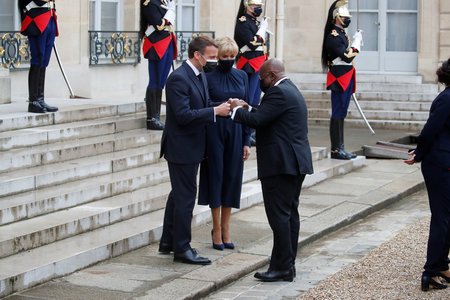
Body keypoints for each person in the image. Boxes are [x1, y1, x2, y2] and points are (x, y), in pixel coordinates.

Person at [229, 58, 313, 282]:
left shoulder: (278, 93)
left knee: (279, 218)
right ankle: (286, 264)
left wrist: (236, 111)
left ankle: (283, 267)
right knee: (289, 216)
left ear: (272, 75)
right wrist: (248, 106)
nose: (259, 81)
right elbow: (267, 113)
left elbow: (258, 120)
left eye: (261, 77)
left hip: (281, 165)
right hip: (293, 163)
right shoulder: (288, 88)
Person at [158, 36, 231, 265]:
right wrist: (214, 112)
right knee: (186, 198)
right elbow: (183, 115)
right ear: (197, 55)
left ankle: (168, 242)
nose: (214, 61)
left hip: (193, 145)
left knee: (178, 194)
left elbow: (202, 105)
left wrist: (224, 106)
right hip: (181, 147)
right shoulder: (178, 78)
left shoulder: (199, 76)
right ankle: (182, 249)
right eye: (210, 57)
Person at [198, 37, 251, 251]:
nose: (228, 59)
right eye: (224, 56)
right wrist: (225, 105)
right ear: (217, 57)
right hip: (214, 131)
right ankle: (216, 229)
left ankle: (227, 227)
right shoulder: (207, 76)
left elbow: (248, 107)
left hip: (237, 131)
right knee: (216, 177)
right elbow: (202, 103)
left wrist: (247, 140)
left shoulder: (242, 76)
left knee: (232, 178)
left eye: (232, 56)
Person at [404, 59, 450, 292]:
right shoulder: (447, 99)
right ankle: (430, 271)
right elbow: (430, 131)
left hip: (443, 161)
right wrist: (419, 154)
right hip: (441, 164)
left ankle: (441, 264)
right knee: (442, 218)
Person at [321, 0, 363, 159]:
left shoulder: (341, 34)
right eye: (345, 17)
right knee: (338, 113)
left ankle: (341, 146)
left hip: (346, 76)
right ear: (337, 18)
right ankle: (336, 149)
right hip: (339, 77)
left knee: (342, 113)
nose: (347, 20)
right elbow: (346, 57)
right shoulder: (333, 35)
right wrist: (357, 43)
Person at [234, 0, 268, 145]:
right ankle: (245, 134)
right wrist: (262, 31)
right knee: (248, 100)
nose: (258, 9)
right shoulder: (243, 22)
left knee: (255, 101)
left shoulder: (254, 22)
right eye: (256, 6)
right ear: (247, 6)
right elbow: (252, 44)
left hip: (258, 64)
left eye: (260, 7)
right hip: (248, 65)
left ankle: (250, 133)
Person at [140, 0, 177, 130]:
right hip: (156, 44)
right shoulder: (149, 2)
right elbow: (159, 24)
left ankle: (156, 116)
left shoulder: (164, 1)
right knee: (155, 81)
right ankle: (151, 118)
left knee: (161, 82)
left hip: (167, 42)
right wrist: (170, 13)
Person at [19, 0, 59, 114]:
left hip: (49, 18)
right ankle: (33, 102)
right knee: (38, 59)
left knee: (44, 61)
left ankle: (40, 99)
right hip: (36, 20)